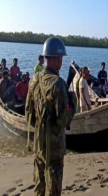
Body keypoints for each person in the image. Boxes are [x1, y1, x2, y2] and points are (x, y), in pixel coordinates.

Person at [25, 37, 75, 196]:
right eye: (60, 58)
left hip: (39, 146)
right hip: (54, 149)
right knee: (53, 191)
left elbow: (29, 115)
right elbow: (63, 120)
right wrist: (73, 103)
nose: (61, 61)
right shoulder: (59, 84)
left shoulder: (34, 80)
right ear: (55, 59)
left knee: (39, 189)